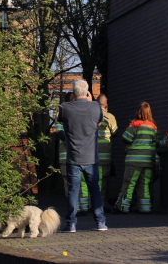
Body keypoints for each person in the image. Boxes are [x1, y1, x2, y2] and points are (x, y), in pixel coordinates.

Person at [57, 80, 108, 232]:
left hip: (73, 158)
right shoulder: (95, 107)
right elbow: (99, 121)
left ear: (73, 93)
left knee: (73, 191)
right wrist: (90, 100)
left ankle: (71, 223)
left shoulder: (65, 108)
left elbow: (60, 122)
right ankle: (100, 222)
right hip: (91, 158)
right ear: (87, 93)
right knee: (95, 190)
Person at [115, 102, 158, 213]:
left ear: (139, 111)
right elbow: (155, 144)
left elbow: (126, 138)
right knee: (144, 185)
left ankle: (122, 207)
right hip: (148, 161)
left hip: (134, 161)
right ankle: (145, 208)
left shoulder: (134, 125)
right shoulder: (154, 128)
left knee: (129, 184)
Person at [97, 94, 118, 206]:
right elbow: (115, 132)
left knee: (93, 181)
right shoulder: (110, 117)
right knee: (104, 182)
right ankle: (101, 204)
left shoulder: (91, 115)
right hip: (105, 155)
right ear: (107, 105)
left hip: (92, 154)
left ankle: (92, 203)